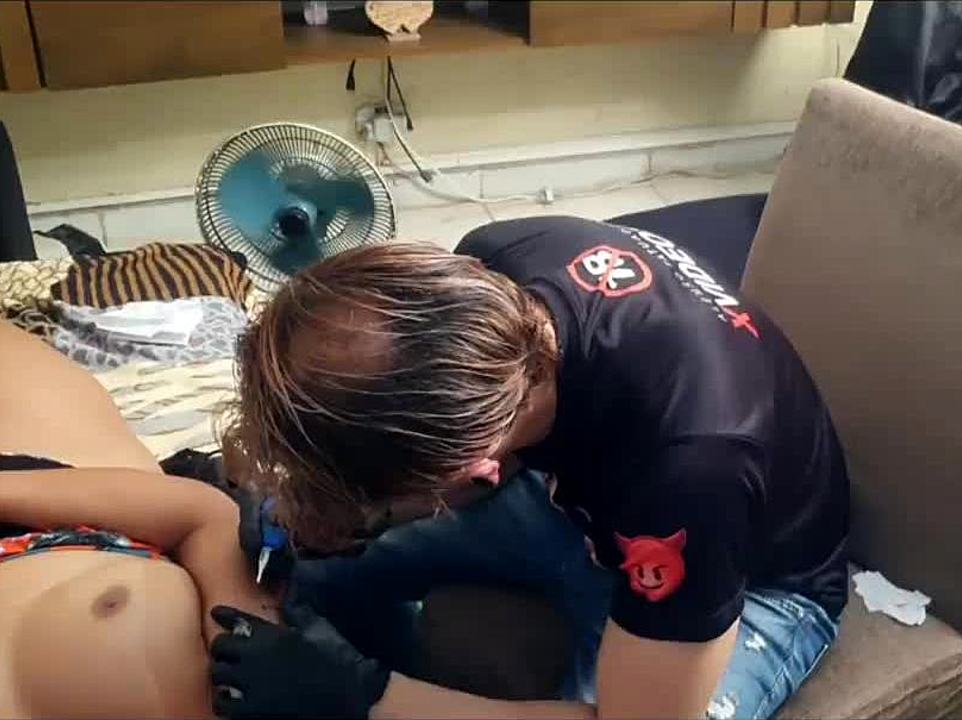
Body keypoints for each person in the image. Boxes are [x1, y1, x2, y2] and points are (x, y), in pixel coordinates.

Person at [210, 216, 851, 719]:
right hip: (572, 496)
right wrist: (331, 518)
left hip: (756, 580)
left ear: (475, 469)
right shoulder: (497, 260)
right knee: (310, 567)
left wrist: (364, 695)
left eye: (378, 499)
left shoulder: (695, 467)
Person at [0, 319, 276, 718]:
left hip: (62, 505)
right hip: (103, 516)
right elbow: (207, 514)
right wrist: (258, 635)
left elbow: (204, 515)